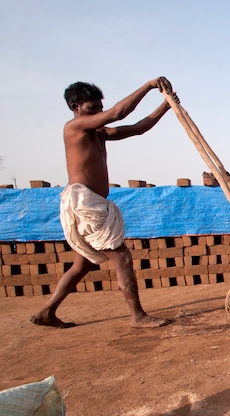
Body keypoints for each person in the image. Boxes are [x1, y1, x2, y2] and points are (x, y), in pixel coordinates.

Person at [31, 77, 178, 328]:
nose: (99, 114)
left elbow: (138, 128)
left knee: (82, 264)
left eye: (100, 108)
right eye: (93, 109)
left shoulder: (98, 133)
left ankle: (47, 312)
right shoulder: (74, 127)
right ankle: (138, 316)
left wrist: (166, 106)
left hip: (93, 203)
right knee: (121, 257)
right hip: (85, 204)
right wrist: (149, 85)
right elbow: (118, 113)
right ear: (75, 107)